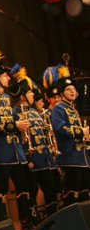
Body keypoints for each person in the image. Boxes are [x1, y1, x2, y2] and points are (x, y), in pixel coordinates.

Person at [0, 48, 34, 230]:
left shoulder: (5, 97)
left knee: (23, 187)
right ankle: (3, 228)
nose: (8, 79)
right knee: (0, 189)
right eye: (4, 76)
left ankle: (27, 222)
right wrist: (14, 125)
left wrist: (21, 124)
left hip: (16, 151)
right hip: (1, 151)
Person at [11, 64, 60, 220]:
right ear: (23, 96)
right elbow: (20, 139)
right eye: (30, 92)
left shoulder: (34, 112)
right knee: (30, 192)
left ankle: (54, 218)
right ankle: (31, 220)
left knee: (51, 190)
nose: (33, 94)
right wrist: (28, 158)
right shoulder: (15, 113)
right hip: (31, 161)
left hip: (44, 160)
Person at [47, 65, 90, 205]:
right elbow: (60, 127)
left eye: (73, 89)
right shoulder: (58, 109)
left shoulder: (74, 110)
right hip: (69, 157)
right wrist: (80, 131)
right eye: (68, 89)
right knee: (72, 191)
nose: (72, 91)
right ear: (61, 93)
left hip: (81, 157)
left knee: (85, 190)